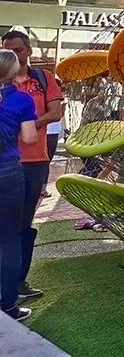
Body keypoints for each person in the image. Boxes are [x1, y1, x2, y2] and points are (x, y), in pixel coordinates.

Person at [1, 30, 63, 302]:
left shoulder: (43, 79)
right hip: (8, 163)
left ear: (29, 51)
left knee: (23, 224)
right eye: (8, 50)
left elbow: (55, 113)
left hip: (34, 163)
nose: (14, 55)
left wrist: (28, 122)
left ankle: (17, 283)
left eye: (19, 49)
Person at [0, 49, 39, 322]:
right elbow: (29, 138)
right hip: (7, 172)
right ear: (14, 71)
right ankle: (8, 305)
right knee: (10, 239)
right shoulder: (22, 100)